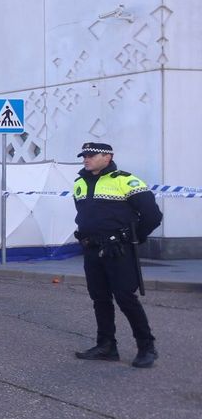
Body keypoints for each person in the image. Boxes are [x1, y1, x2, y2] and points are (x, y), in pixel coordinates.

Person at [70, 141, 161, 368]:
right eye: (84, 155)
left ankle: (146, 347)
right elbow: (83, 214)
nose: (86, 159)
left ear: (107, 157)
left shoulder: (126, 181)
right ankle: (106, 346)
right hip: (91, 248)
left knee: (125, 298)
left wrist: (132, 238)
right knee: (99, 298)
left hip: (118, 250)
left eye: (91, 155)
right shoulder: (79, 182)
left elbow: (152, 215)